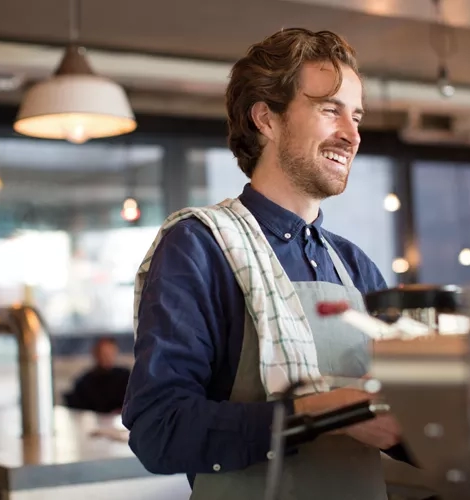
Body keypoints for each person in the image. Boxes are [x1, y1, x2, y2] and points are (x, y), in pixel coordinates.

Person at [122, 28, 414, 500]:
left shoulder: (355, 265)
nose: (352, 134)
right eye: (329, 110)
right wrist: (319, 414)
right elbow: (159, 430)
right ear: (267, 119)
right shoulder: (199, 247)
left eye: (356, 116)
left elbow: (404, 415)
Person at [64, 337, 131, 414]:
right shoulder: (84, 382)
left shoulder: (126, 377)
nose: (107, 358)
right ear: (96, 353)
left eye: (110, 353)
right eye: (104, 354)